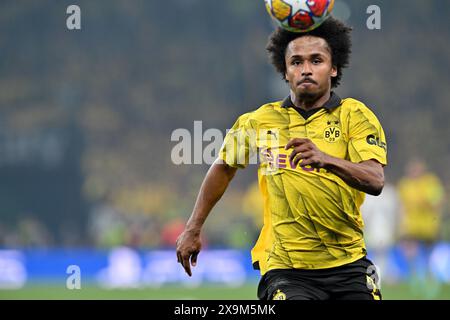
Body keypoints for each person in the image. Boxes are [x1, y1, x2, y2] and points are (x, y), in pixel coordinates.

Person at [176, 17, 387, 300]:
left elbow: (375, 180)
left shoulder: (355, 115)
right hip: (286, 269)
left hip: (347, 263)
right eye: (296, 62)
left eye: (316, 60)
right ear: (285, 72)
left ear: (333, 68)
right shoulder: (259, 121)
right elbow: (223, 168)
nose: (306, 69)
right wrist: (193, 227)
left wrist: (326, 159)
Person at [397, 158, 445, 296]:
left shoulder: (430, 182)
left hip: (429, 226)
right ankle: (416, 280)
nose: (414, 172)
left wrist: (426, 202)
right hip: (411, 227)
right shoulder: (404, 184)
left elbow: (438, 201)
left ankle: (430, 281)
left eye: (416, 169)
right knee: (411, 254)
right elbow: (402, 206)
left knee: (428, 256)